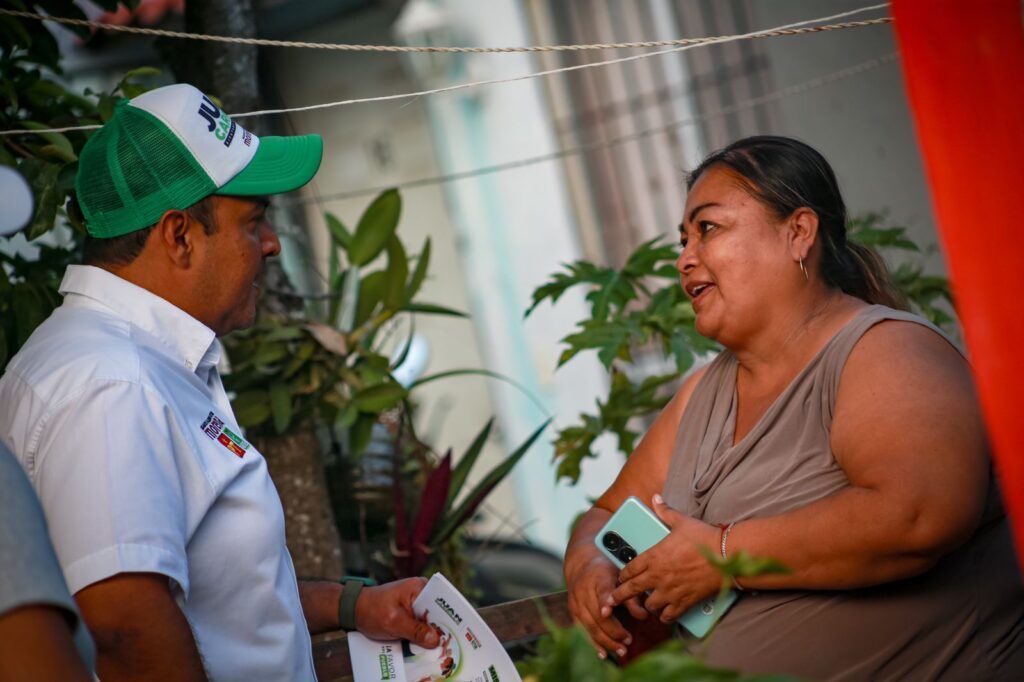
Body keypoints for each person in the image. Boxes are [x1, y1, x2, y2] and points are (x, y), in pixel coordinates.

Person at [0, 83, 438, 681]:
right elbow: (126, 628)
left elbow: (210, 595)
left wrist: (349, 605)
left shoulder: (140, 364)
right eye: (253, 221)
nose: (272, 243)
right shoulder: (112, 384)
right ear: (179, 235)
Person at [564, 136, 1024, 680]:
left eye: (707, 228)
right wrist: (590, 565)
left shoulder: (885, 350)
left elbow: (919, 516)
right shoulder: (700, 395)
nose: (684, 258)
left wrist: (724, 555)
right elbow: (604, 516)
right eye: (684, 239)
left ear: (799, 233)